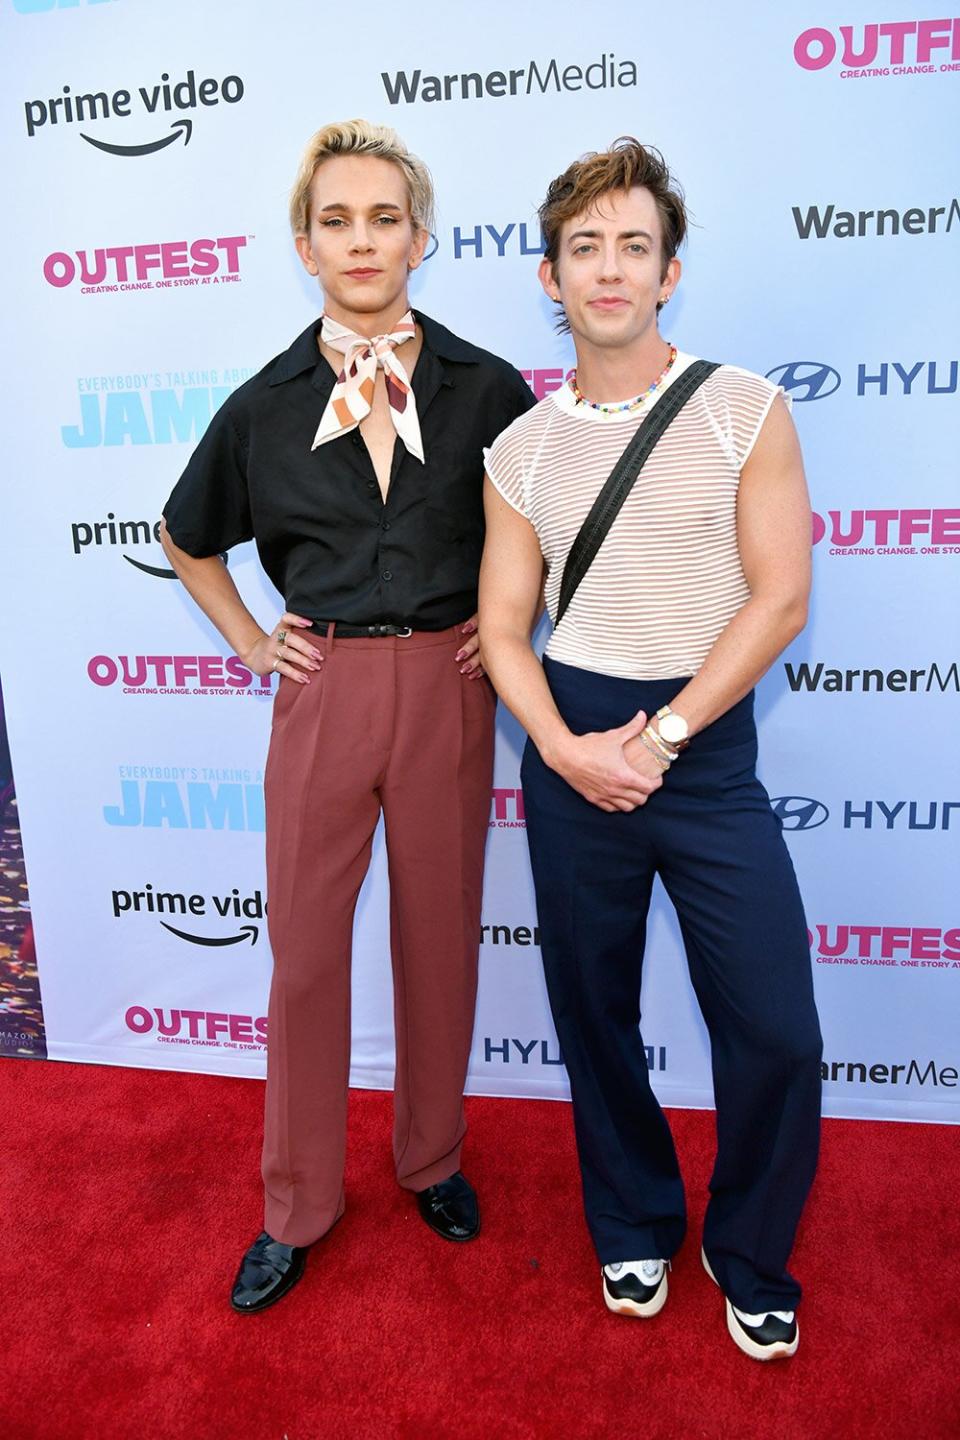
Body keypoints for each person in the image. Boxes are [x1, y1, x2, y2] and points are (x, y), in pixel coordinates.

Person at [161, 119, 534, 1314]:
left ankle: (432, 1159)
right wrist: (248, 636)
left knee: (438, 938)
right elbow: (188, 534)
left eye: (384, 217)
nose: (362, 239)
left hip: (450, 689)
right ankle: (297, 1204)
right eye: (338, 219)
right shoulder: (264, 403)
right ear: (304, 244)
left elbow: (550, 535)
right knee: (309, 958)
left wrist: (506, 621)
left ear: (421, 236)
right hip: (318, 693)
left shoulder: (490, 387)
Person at [479, 138, 822, 1361]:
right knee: (593, 1013)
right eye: (585, 248)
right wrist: (569, 751)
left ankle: (751, 1251)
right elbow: (503, 627)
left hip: (704, 751)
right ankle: (631, 1219)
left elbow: (778, 598)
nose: (609, 269)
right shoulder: (518, 450)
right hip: (572, 752)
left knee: (775, 1024)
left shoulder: (744, 407)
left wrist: (665, 738)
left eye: (634, 246)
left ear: (670, 271)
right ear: (550, 274)